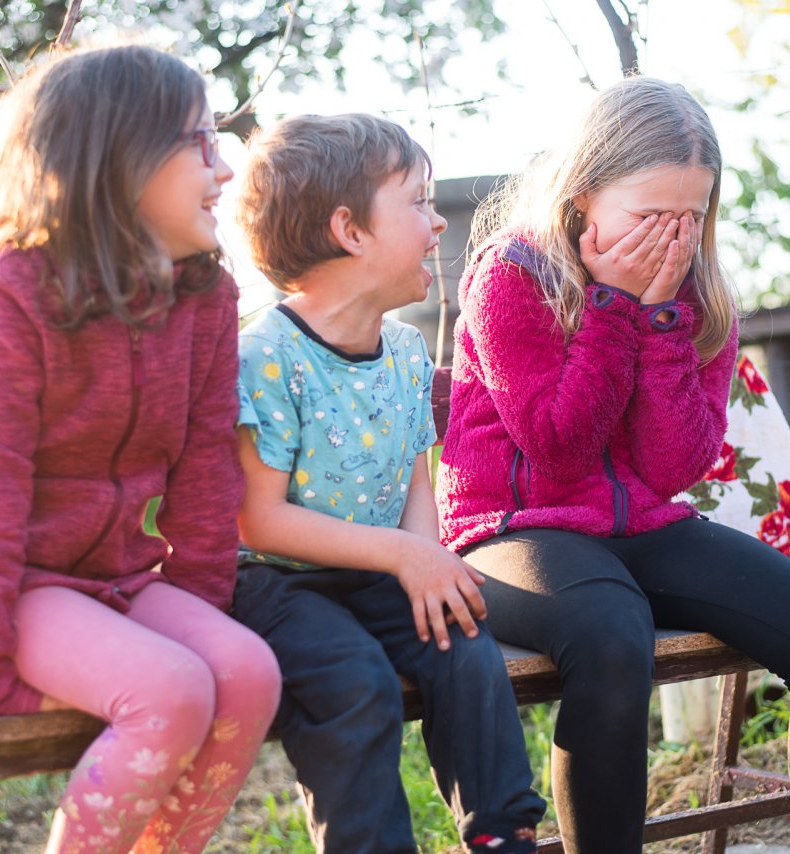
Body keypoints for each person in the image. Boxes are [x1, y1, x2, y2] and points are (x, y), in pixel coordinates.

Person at [435, 77, 790, 854]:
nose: (672, 238)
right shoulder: (513, 275)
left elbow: (673, 464)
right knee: (613, 635)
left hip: (642, 524)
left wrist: (661, 320)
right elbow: (560, 444)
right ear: (583, 197)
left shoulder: (697, 295)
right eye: (649, 217)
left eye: (692, 217)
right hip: (513, 529)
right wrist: (612, 307)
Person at [0, 44, 281, 854]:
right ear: (122, 157)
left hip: (110, 585)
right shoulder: (11, 295)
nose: (225, 170)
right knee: (172, 689)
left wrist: (197, 616)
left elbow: (206, 472)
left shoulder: (204, 296)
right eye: (202, 143)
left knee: (247, 674)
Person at [230, 112, 546, 854]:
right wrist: (405, 557)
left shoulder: (404, 351)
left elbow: (415, 483)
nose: (437, 223)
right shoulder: (265, 355)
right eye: (417, 202)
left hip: (374, 571)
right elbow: (259, 521)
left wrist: (426, 563)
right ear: (350, 230)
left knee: (464, 644)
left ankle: (504, 835)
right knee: (356, 681)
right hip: (274, 582)